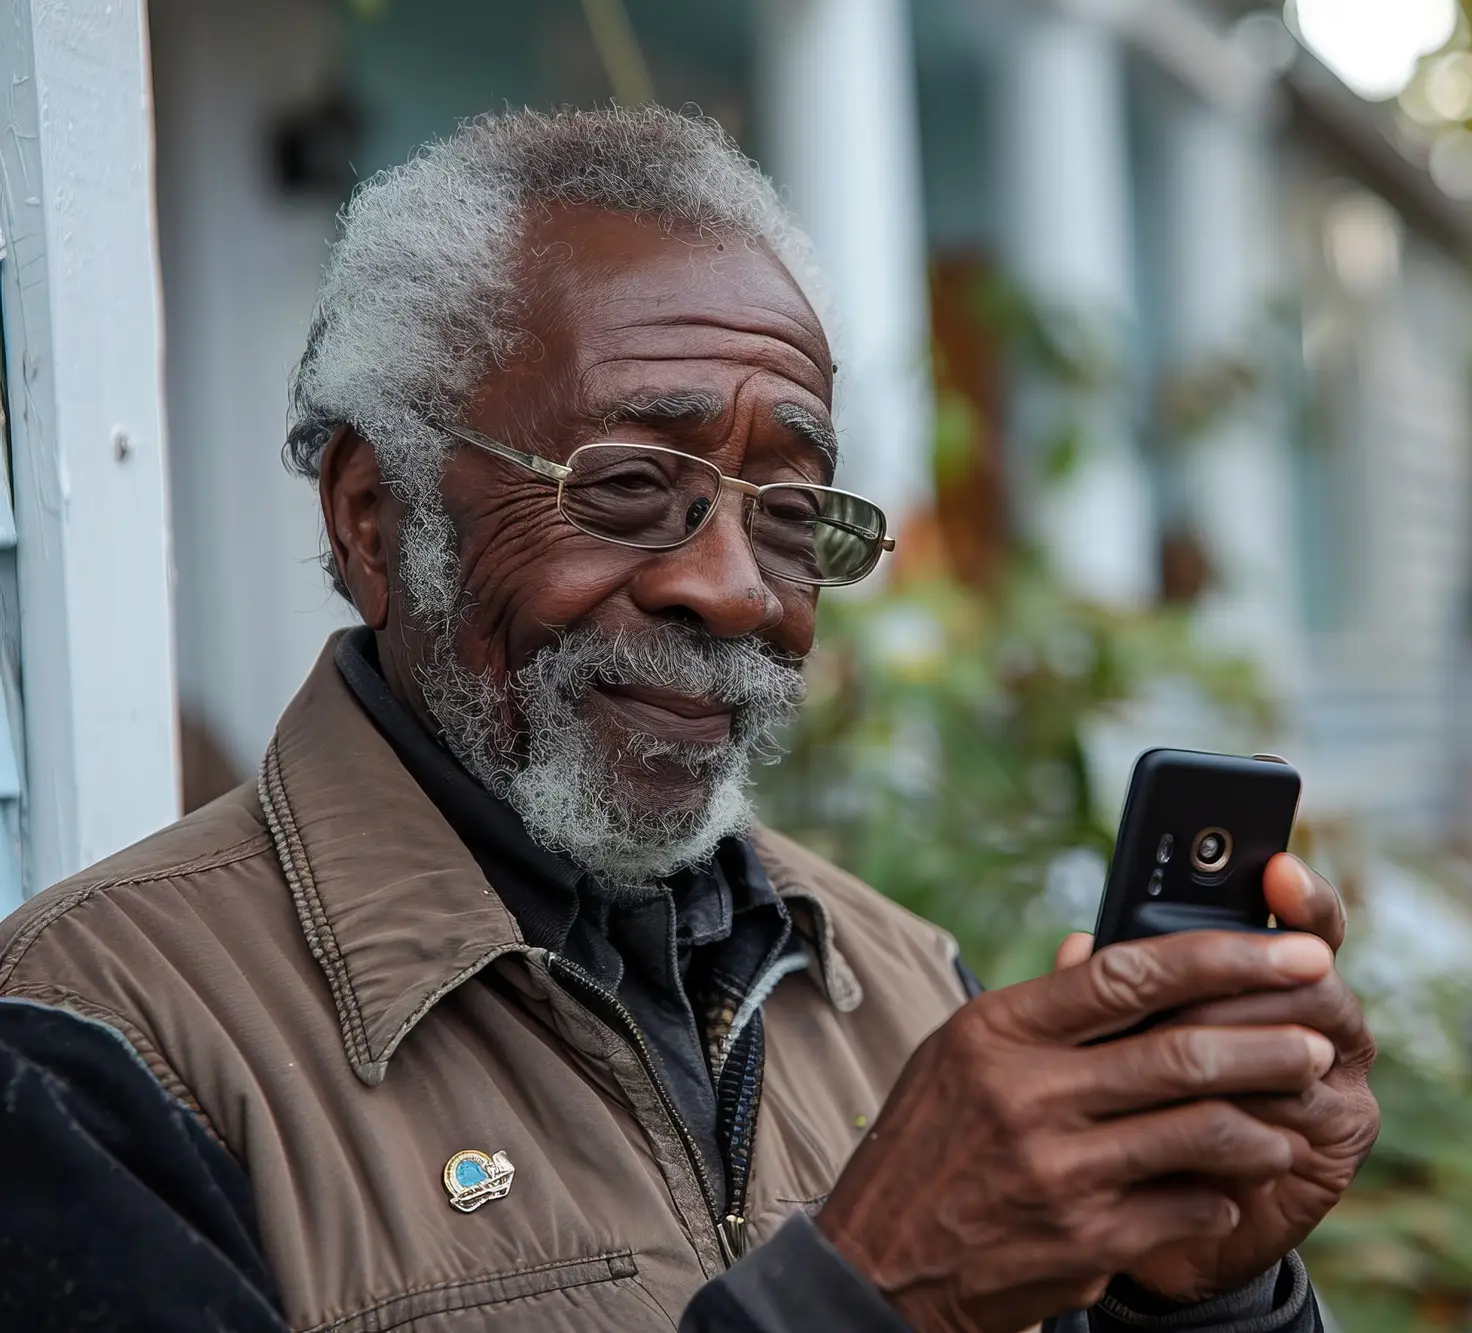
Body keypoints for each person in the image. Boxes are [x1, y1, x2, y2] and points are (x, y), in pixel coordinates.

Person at [0, 107, 1378, 1333]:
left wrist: (1199, 1301)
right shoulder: (93, 1041)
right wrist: (866, 1297)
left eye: (792, 513)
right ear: (379, 516)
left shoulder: (902, 988)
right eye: (625, 487)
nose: (732, 590)